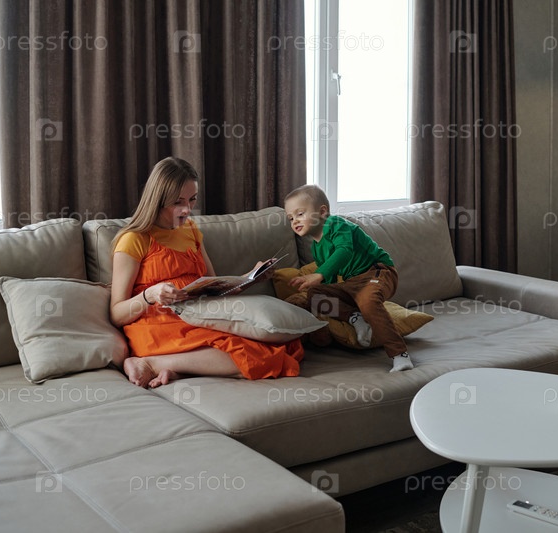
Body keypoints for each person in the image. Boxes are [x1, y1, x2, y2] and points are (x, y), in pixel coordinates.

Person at [110, 157, 304, 388]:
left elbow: (213, 287)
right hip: (156, 325)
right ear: (158, 199)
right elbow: (117, 314)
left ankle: (177, 369)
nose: (187, 209)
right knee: (259, 358)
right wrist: (150, 295)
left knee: (287, 347)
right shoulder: (134, 239)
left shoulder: (190, 230)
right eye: (178, 202)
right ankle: (150, 363)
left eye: (192, 199)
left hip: (198, 316)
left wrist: (251, 277)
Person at [283, 184, 413, 372]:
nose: (295, 220)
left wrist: (318, 274)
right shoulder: (316, 248)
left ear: (322, 212)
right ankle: (354, 317)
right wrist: (322, 287)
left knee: (368, 301)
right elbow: (330, 280)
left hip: (377, 272)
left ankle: (399, 354)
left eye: (300, 214)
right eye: (290, 218)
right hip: (352, 283)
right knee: (315, 295)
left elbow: (344, 250)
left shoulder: (336, 224)